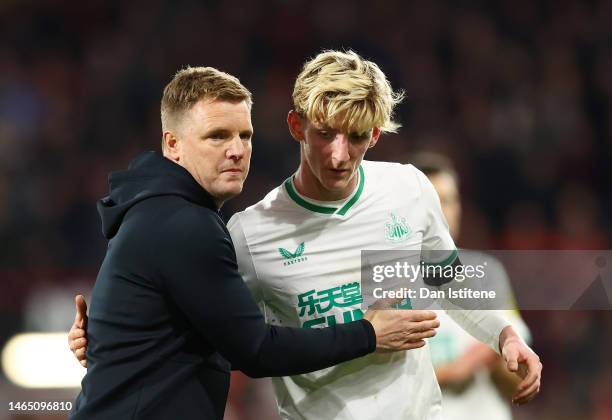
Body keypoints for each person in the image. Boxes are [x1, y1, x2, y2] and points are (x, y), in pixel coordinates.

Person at [70, 52, 542, 419]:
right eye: (325, 134)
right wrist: (109, 336)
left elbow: (447, 279)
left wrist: (503, 335)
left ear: (375, 135)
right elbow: (227, 336)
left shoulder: (409, 188)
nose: (339, 154)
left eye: (356, 136)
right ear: (296, 125)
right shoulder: (249, 234)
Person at [411, 152, 531, 420]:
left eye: (450, 200)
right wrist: (453, 370)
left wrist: (500, 359)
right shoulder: (387, 281)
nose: (444, 211)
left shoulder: (487, 273)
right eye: (434, 201)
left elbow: (515, 379)